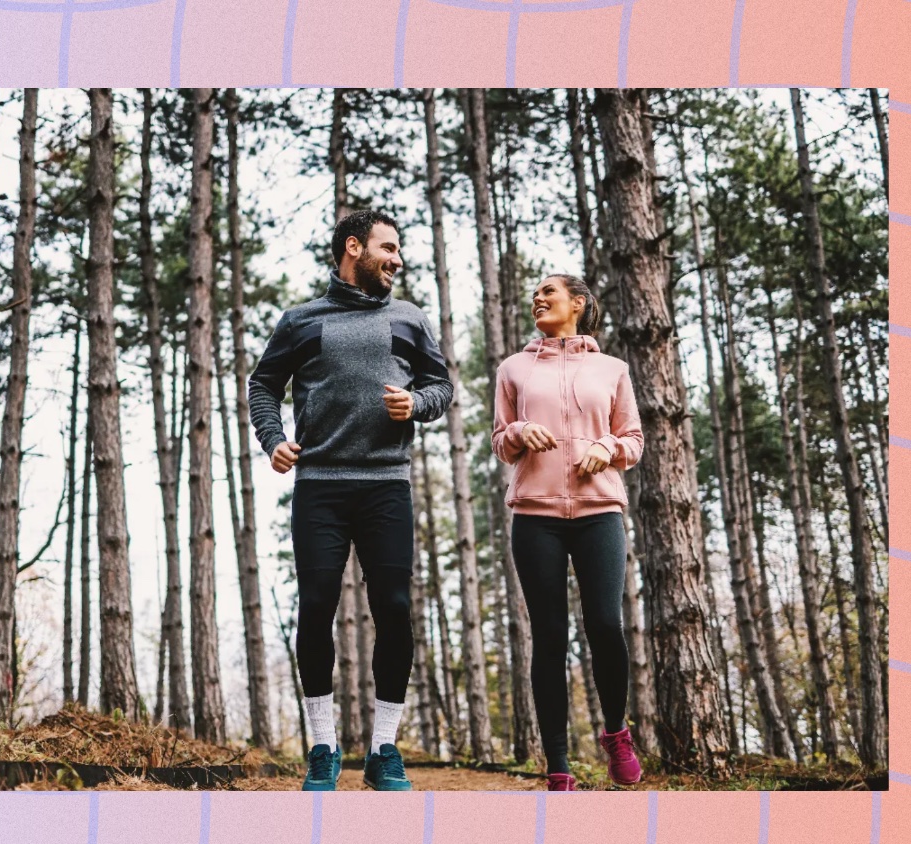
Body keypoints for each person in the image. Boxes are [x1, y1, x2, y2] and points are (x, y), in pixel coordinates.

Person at [249, 209, 454, 791]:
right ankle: (323, 747)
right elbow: (262, 384)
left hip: (387, 484)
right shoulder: (301, 320)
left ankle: (383, 749)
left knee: (393, 608)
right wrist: (273, 439)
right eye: (388, 248)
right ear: (353, 247)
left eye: (400, 251)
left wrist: (416, 406)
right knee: (316, 608)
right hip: (321, 486)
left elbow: (440, 387)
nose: (397, 259)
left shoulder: (408, 319)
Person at [491, 274, 645, 792]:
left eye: (548, 292)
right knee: (550, 637)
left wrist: (609, 447)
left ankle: (616, 733)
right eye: (533, 292)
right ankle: (558, 765)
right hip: (535, 515)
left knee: (605, 623)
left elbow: (634, 437)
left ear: (578, 304)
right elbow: (500, 440)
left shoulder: (612, 369)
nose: (537, 298)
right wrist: (516, 432)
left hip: (600, 508)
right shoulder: (513, 368)